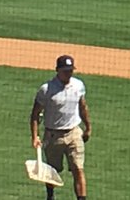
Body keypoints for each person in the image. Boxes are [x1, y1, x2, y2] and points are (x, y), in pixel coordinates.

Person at [31, 54, 91, 200]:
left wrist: (88, 127)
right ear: (57, 70)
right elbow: (35, 114)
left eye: (70, 70)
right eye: (65, 70)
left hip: (74, 133)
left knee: (78, 168)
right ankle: (50, 196)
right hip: (53, 136)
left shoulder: (78, 85)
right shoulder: (46, 89)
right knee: (52, 171)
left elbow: (83, 107)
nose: (68, 73)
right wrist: (35, 137)